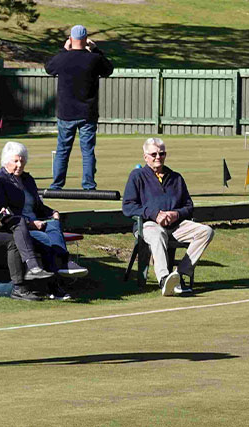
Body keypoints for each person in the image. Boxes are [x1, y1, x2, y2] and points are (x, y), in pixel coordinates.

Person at [0, 141, 88, 299]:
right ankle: (55, 286)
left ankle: (64, 263)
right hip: (19, 228)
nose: (20, 164)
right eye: (15, 161)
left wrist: (52, 212)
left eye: (22, 160)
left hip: (38, 222)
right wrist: (30, 224)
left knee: (54, 224)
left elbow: (37, 206)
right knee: (47, 241)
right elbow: (5, 215)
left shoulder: (28, 179)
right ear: (6, 161)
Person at [122, 137, 214, 295]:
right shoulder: (137, 176)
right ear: (145, 157)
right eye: (154, 154)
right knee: (157, 234)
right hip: (148, 224)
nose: (158, 157)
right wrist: (155, 214)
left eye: (162, 153)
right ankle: (164, 279)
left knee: (206, 231)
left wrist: (176, 214)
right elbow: (128, 206)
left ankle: (179, 275)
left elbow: (189, 206)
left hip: (176, 225)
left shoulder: (176, 177)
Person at [44, 25, 114, 191]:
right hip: (87, 113)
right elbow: (108, 69)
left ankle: (57, 185)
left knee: (62, 150)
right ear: (86, 40)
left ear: (70, 39)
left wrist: (64, 50)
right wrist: (96, 50)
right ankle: (89, 185)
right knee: (87, 151)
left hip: (66, 113)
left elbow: (49, 68)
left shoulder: (63, 58)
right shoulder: (94, 59)